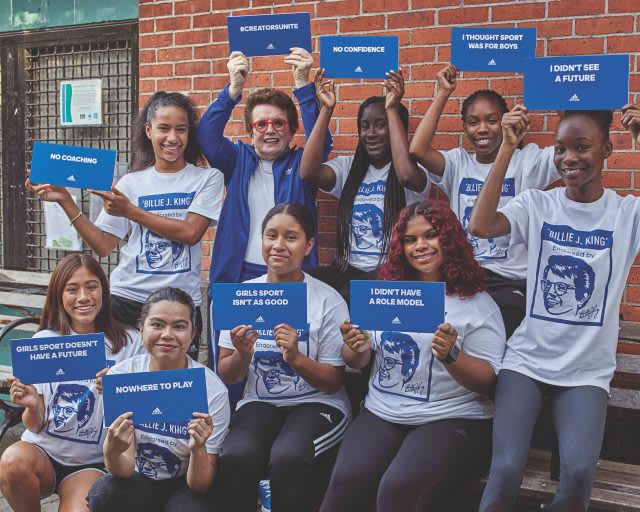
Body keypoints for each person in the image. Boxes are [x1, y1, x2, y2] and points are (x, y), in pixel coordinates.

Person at [468, 104, 640, 511]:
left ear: (607, 150)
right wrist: (507, 148)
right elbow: (480, 225)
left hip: (585, 371)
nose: (568, 158)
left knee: (579, 473)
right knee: (507, 468)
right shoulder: (538, 205)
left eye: (581, 147)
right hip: (527, 362)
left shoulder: (626, 214)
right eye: (560, 149)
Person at [320, 200, 506, 512]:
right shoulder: (385, 294)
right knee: (345, 484)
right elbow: (358, 361)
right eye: (409, 239)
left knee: (397, 490)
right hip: (382, 411)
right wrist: (356, 346)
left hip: (452, 418)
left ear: (448, 240)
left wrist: (451, 356)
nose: (420, 246)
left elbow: (488, 381)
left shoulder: (476, 304)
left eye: (430, 235)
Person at [26, 92, 224, 356]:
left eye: (181, 129)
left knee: (169, 385)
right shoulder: (131, 183)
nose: (173, 138)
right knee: (119, 386)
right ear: (148, 130)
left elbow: (191, 233)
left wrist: (131, 211)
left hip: (178, 304)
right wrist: (65, 200)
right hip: (126, 301)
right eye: (163, 128)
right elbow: (103, 245)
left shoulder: (208, 178)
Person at [216, 203, 351, 512]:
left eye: (291, 237)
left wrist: (295, 358)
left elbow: (333, 382)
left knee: (288, 455)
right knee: (237, 455)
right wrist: (241, 352)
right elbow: (228, 374)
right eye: (271, 235)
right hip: (260, 402)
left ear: (309, 246)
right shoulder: (243, 296)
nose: (279, 246)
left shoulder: (326, 300)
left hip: (319, 402)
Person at [409, 64, 560, 338]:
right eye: (473, 121)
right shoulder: (458, 162)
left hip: (511, 281)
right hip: (462, 275)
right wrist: (443, 93)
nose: (482, 129)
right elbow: (418, 149)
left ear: (505, 121)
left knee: (500, 335)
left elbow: (570, 153)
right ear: (464, 126)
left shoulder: (528, 160)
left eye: (492, 120)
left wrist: (562, 102)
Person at [0, 253, 144, 512]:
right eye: (72, 289)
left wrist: (117, 392)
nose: (83, 297)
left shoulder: (131, 342)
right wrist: (32, 406)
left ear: (104, 290)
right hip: (42, 451)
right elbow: (35, 423)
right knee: (12, 461)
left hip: (90, 461)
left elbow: (140, 411)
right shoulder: (45, 339)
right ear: (59, 295)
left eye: (92, 286)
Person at [87, 287, 230, 512]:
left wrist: (199, 449)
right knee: (105, 493)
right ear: (141, 329)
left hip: (187, 484)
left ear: (193, 335)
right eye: (157, 324)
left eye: (179, 326)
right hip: (140, 480)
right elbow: (123, 470)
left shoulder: (212, 391)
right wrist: (112, 452)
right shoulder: (122, 378)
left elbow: (201, 485)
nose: (167, 335)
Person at [197, 49, 332, 286]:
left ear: (291, 132)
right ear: (250, 132)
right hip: (237, 276)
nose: (270, 130)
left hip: (292, 278)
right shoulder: (237, 159)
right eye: (261, 124)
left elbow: (320, 142)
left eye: (279, 123)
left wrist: (303, 85)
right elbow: (206, 136)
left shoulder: (303, 163)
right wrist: (232, 91)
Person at [300, 69, 430, 301]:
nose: (371, 133)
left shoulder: (414, 172)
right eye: (365, 126)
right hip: (349, 268)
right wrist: (326, 110)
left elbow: (408, 177)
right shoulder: (349, 168)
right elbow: (308, 172)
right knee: (304, 285)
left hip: (395, 271)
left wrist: (392, 108)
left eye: (381, 124)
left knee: (351, 293)